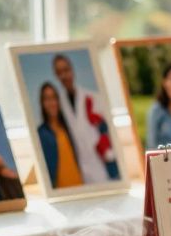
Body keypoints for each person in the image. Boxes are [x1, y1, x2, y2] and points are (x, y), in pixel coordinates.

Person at [51, 53, 121, 182]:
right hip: (80, 168)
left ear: (72, 70)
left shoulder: (93, 97)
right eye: (59, 72)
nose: (64, 76)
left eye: (66, 70)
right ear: (56, 75)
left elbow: (106, 131)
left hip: (101, 161)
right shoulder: (59, 105)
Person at [36, 83, 84, 189]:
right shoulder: (41, 133)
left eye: (54, 98)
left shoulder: (69, 127)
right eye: (47, 99)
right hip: (61, 191)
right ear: (42, 103)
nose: (51, 103)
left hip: (81, 185)